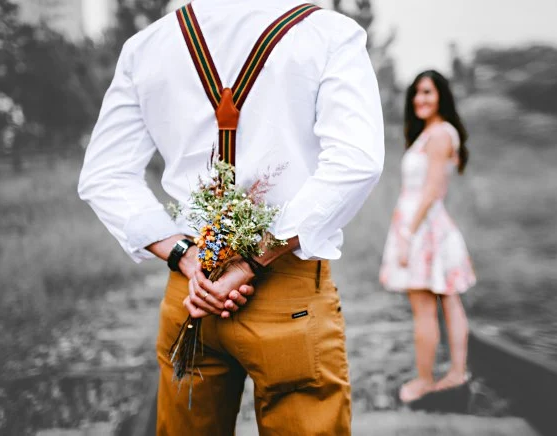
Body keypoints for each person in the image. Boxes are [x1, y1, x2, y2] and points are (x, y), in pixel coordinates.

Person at [78, 1, 384, 434]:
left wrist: (185, 255)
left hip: (192, 292)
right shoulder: (328, 33)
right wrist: (249, 262)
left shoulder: (146, 47)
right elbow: (356, 162)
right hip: (287, 290)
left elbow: (104, 175)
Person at [379, 70, 476, 403]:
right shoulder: (433, 133)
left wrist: (407, 233)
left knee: (426, 308)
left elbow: (433, 189)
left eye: (427, 92)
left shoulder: (439, 135)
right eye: (416, 93)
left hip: (423, 228)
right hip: (424, 224)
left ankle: (426, 380)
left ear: (441, 97)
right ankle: (455, 375)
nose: (420, 99)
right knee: (447, 302)